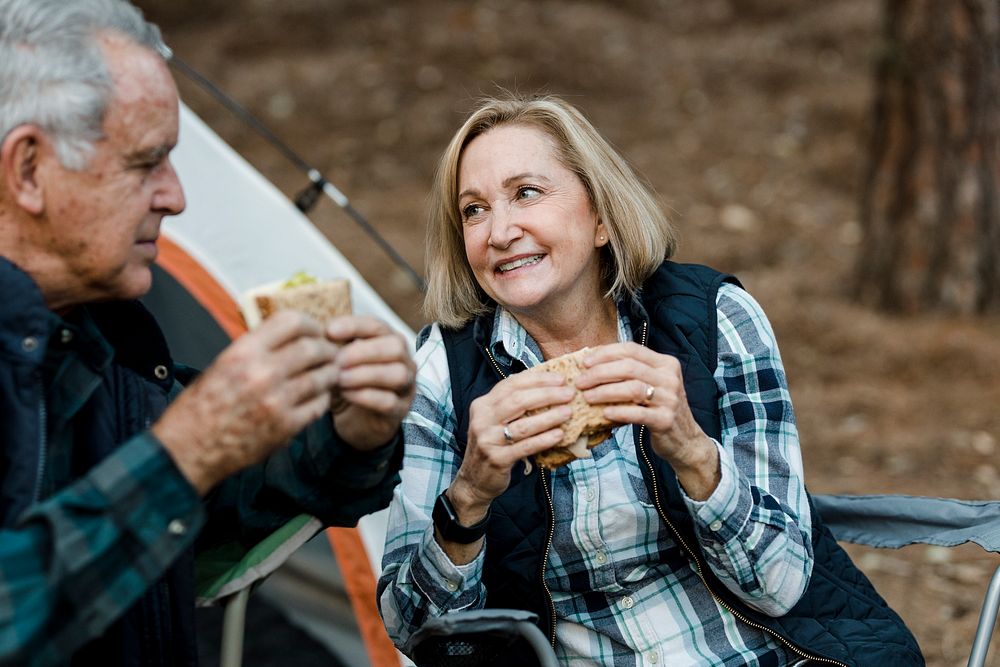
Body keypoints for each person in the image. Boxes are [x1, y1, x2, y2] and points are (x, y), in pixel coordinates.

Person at [377, 93, 923, 666]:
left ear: (602, 219)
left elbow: (780, 584)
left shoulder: (715, 319)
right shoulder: (442, 374)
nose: (500, 231)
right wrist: (468, 497)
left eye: (527, 193)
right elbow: (419, 637)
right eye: (473, 210)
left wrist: (693, 453)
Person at [0, 0, 416, 664]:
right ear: (28, 170)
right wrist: (183, 454)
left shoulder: (104, 345)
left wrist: (343, 434)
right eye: (145, 163)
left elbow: (199, 528)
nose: (176, 197)